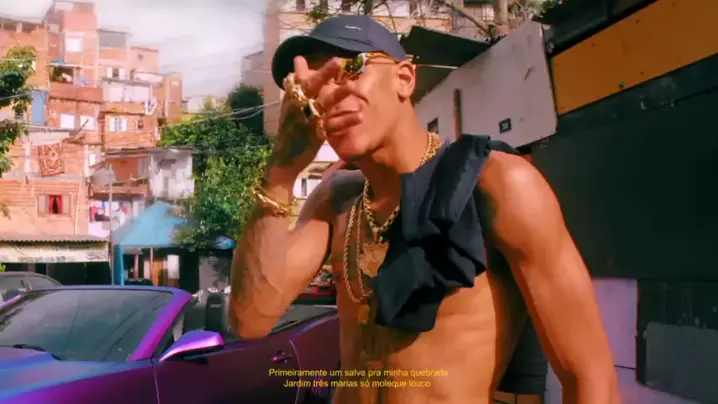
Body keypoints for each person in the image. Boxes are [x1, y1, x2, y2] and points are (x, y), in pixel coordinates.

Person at [229, 14, 620, 404]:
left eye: (352, 66)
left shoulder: (495, 184)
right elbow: (250, 320)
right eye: (311, 83)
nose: (329, 93)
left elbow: (589, 377)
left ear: (404, 78)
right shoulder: (336, 200)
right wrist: (280, 173)